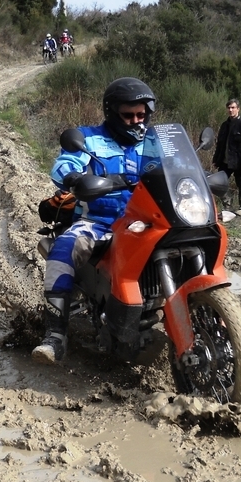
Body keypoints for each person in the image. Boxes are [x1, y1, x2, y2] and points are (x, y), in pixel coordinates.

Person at [32, 77, 158, 364]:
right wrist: (74, 177)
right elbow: (65, 163)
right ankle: (55, 336)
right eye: (128, 115)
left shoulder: (156, 142)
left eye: (141, 115)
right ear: (112, 113)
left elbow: (179, 168)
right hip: (100, 222)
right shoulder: (88, 139)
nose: (135, 121)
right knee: (63, 250)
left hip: (149, 221)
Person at [211, 98, 241, 216]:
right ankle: (227, 206)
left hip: (239, 162)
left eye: (233, 108)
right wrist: (216, 159)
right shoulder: (224, 125)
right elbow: (220, 144)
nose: (231, 110)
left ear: (238, 109)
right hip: (225, 161)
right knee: (219, 183)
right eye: (229, 108)